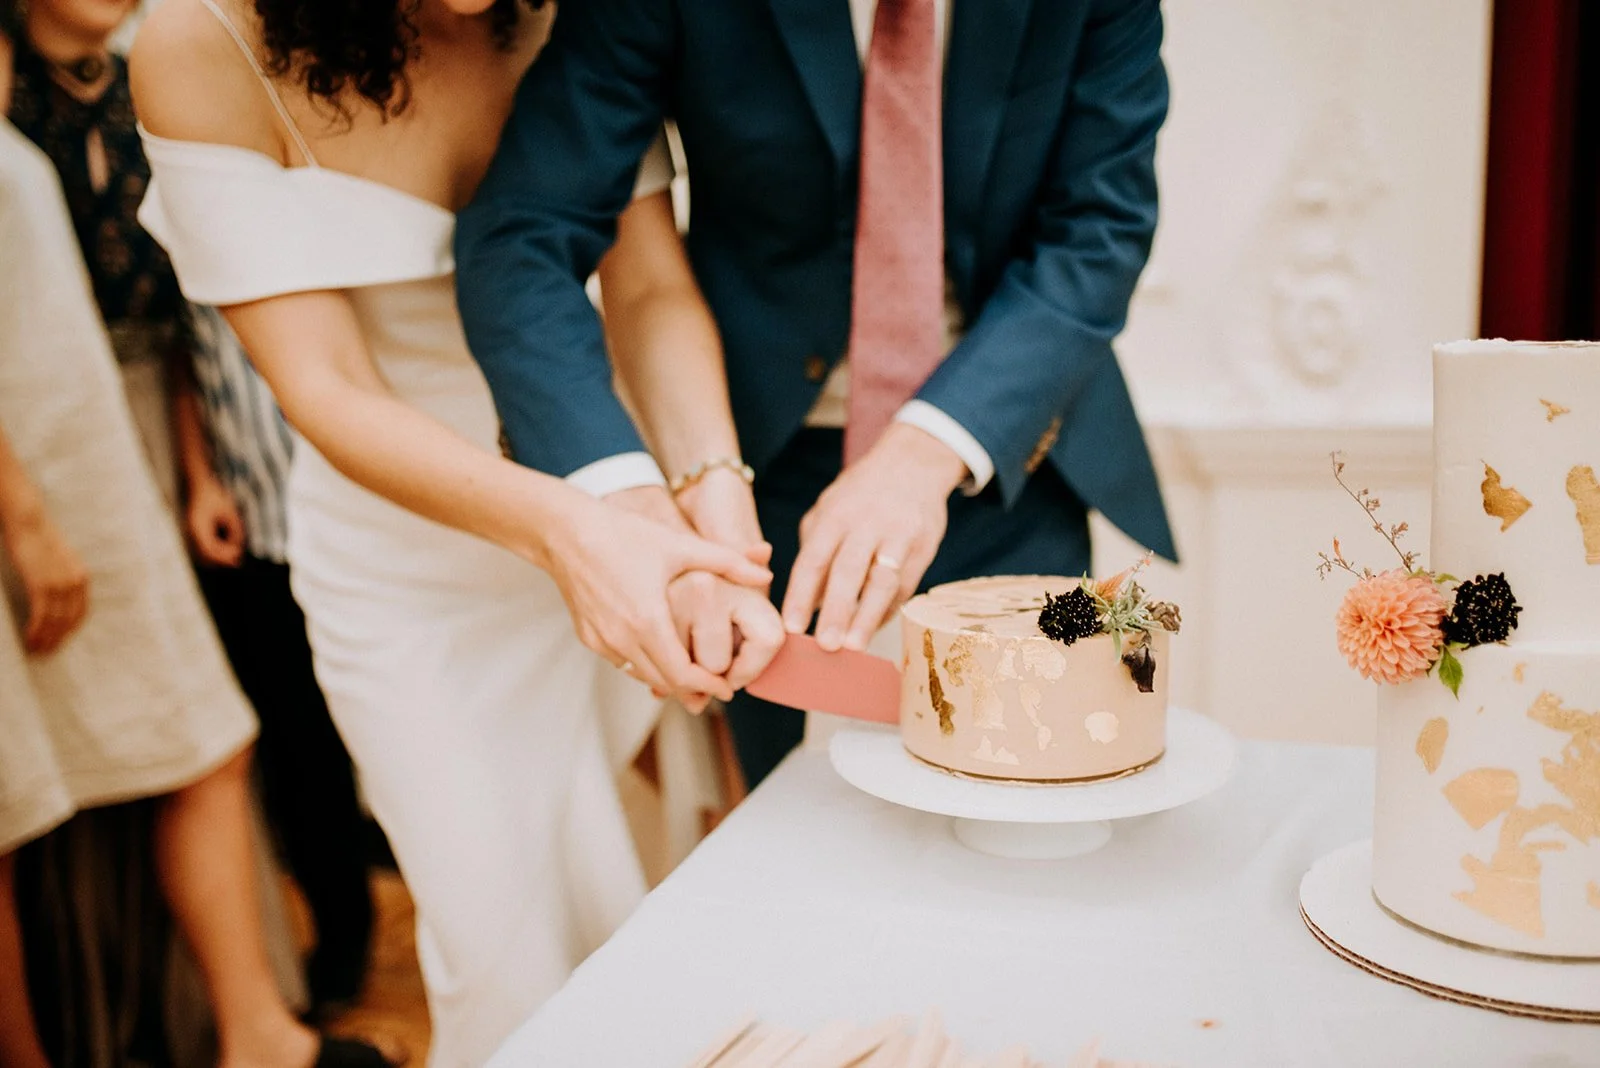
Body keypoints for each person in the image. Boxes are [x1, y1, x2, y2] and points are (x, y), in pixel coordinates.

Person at [128, 0, 783, 1061]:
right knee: (504, 959)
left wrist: (709, 499)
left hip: (626, 507)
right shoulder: (200, 39)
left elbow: (650, 288)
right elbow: (326, 388)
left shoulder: (578, 9)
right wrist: (567, 531)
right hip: (414, 578)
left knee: (673, 922)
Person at [454, 0, 1179, 789]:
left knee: (1037, 788)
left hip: (1010, 462)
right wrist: (627, 505)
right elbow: (523, 236)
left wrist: (926, 450)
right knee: (794, 815)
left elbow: (1100, 229)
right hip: (758, 498)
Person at [5, 0, 378, 1018]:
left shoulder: (147, 80)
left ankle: (304, 956)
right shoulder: (17, 108)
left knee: (246, 705)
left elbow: (183, 316)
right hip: (56, 415)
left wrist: (200, 466)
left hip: (180, 422)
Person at [186, 303, 377, 1015]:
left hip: (358, 514)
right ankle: (344, 932)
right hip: (254, 523)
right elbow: (187, 358)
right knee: (299, 752)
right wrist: (200, 475)